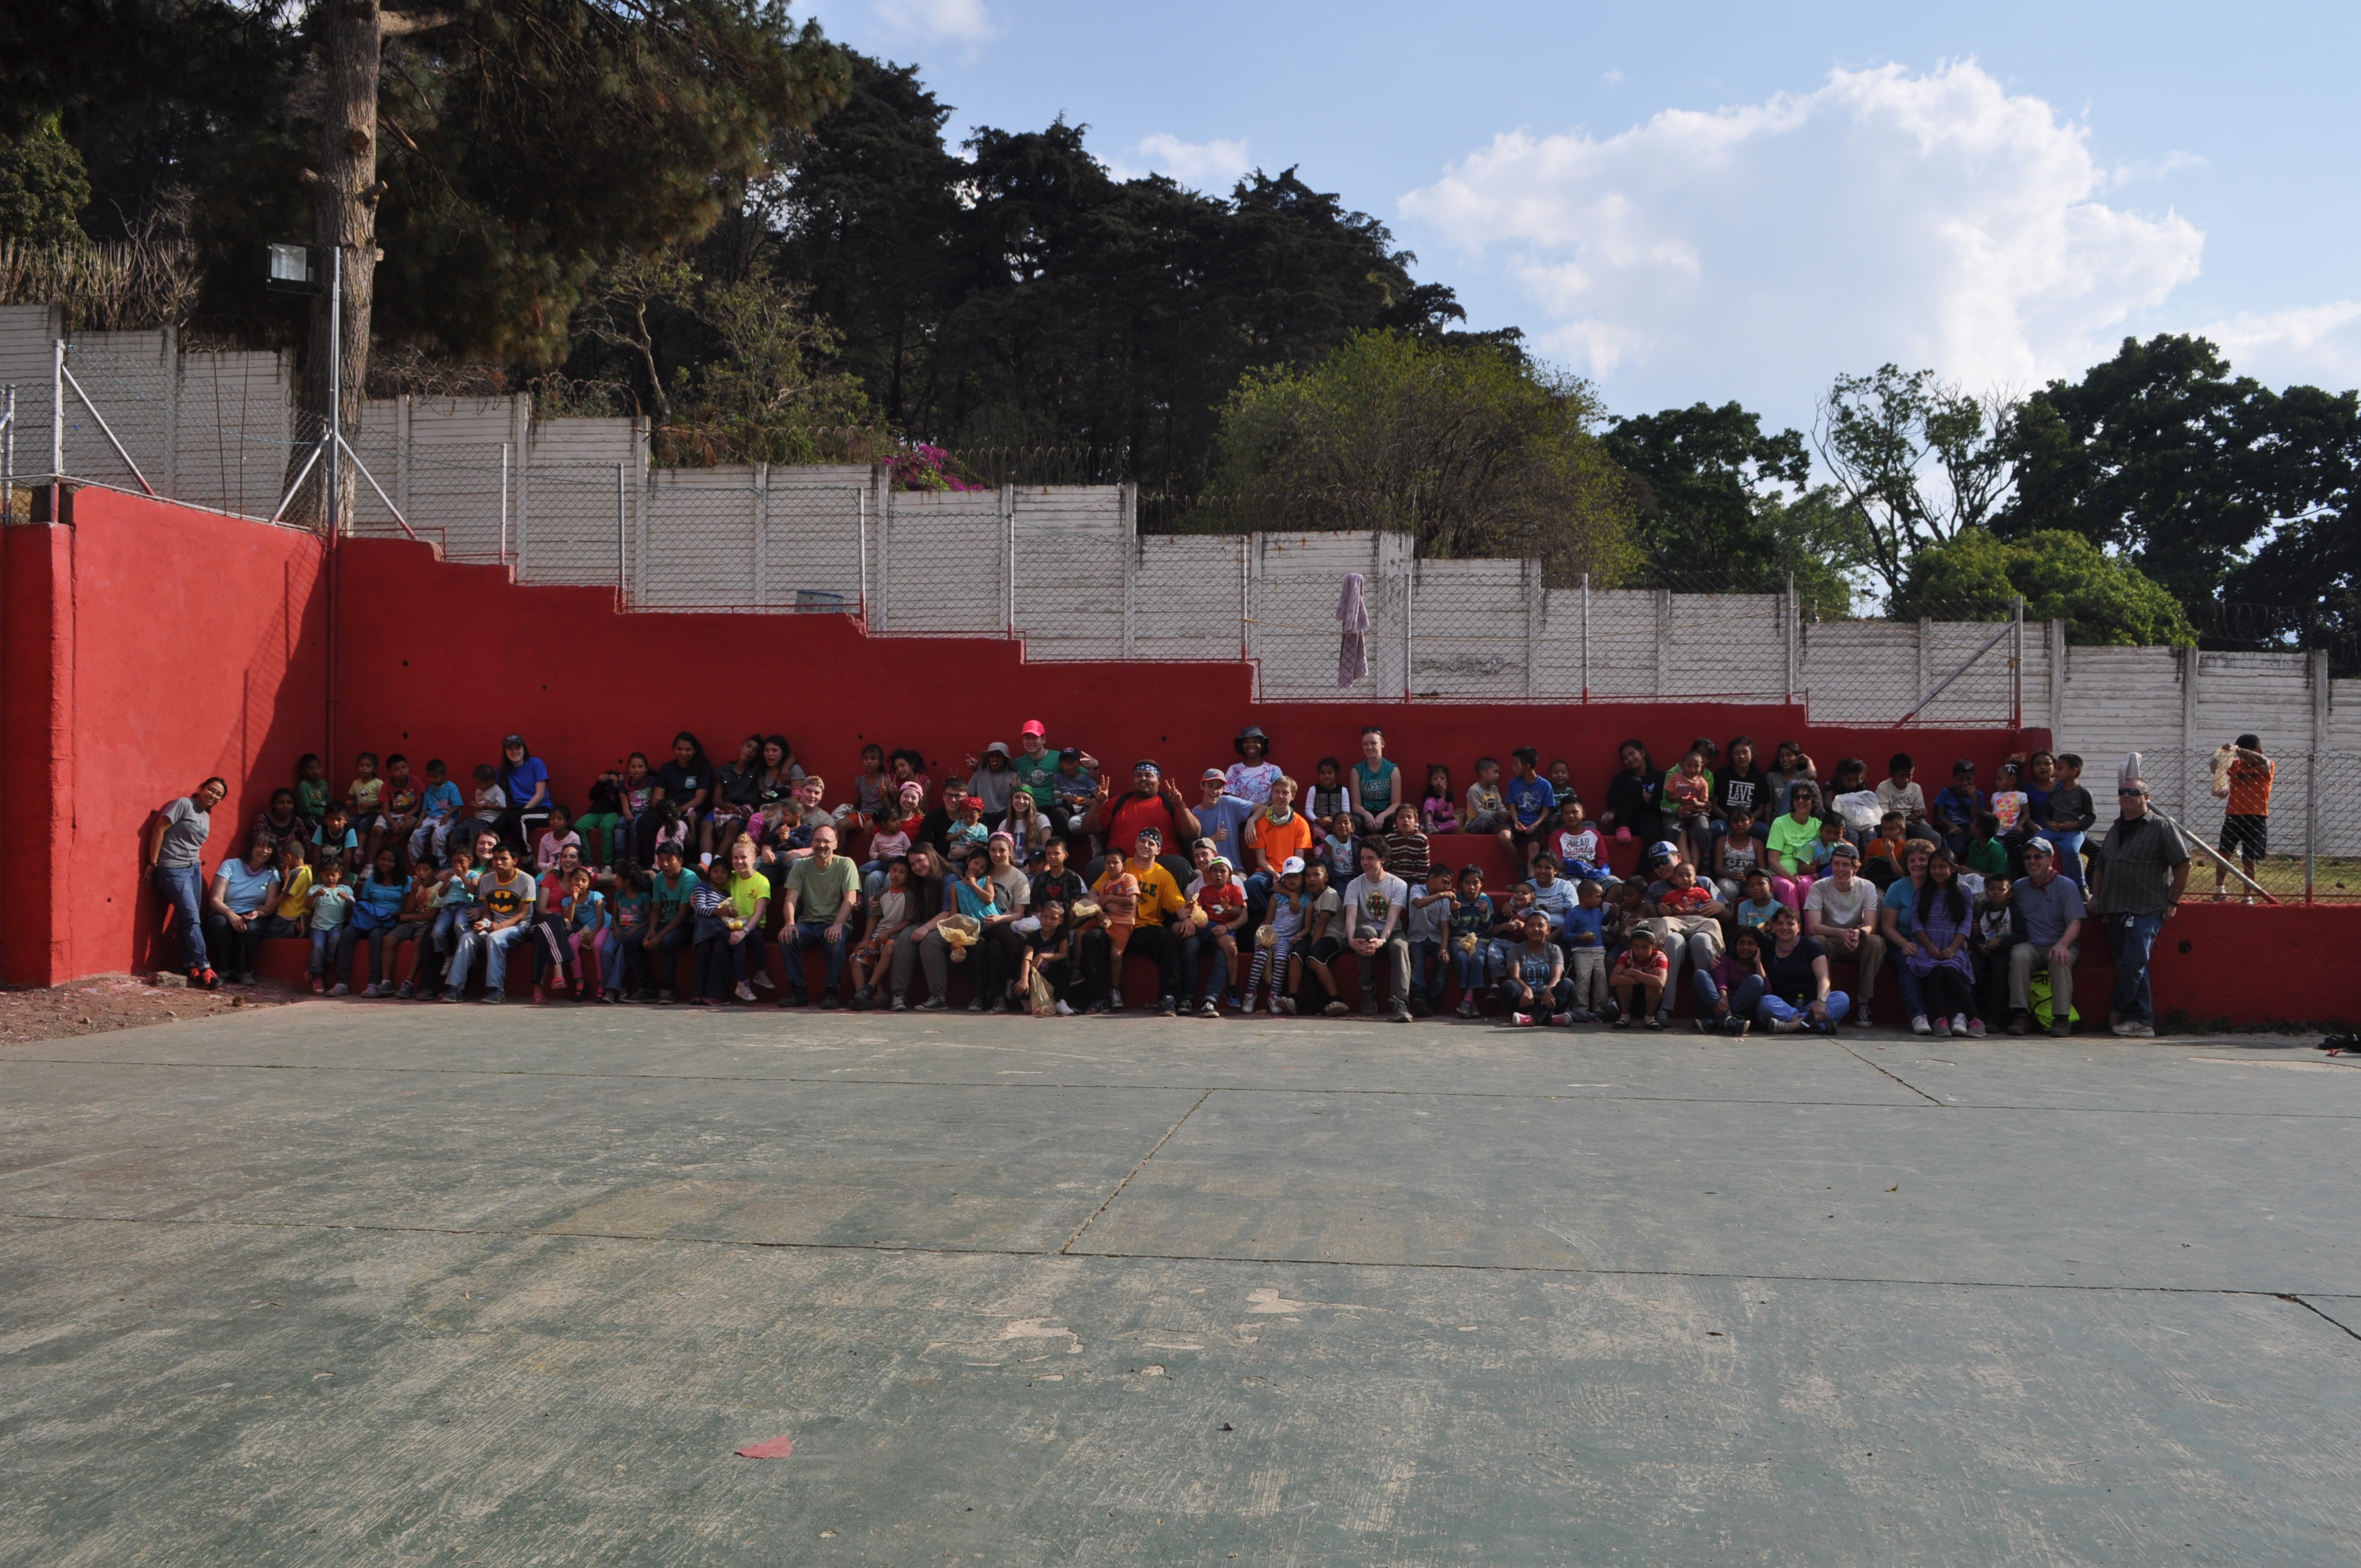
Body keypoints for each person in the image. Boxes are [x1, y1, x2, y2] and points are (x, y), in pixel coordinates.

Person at [2086, 776, 2189, 1038]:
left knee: (2134, 963)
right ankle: (2140, 1021)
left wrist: (2173, 902)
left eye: (2134, 792)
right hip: (2114, 909)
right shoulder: (2115, 828)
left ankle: (2125, 1011)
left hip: (2147, 909)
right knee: (2129, 967)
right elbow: (2101, 867)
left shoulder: (2161, 826)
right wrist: (2096, 898)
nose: (2126, 796)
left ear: (2147, 797)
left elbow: (2183, 864)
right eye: (2123, 791)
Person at [146, 777, 228, 987]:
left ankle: (190, 965)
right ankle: (205, 968)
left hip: (193, 869)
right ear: (201, 788)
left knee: (189, 918)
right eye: (211, 790)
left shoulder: (206, 817)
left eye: (219, 794)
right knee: (192, 918)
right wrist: (153, 863)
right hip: (172, 868)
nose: (214, 795)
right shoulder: (183, 804)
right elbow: (158, 830)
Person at [2004, 838, 2084, 1037]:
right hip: (2031, 944)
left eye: (2038, 856)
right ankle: (2021, 1015)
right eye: (2028, 857)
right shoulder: (2019, 887)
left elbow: (2075, 923)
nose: (2032, 861)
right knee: (2019, 955)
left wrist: (2062, 945)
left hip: (2060, 942)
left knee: (2059, 958)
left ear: (2050, 859)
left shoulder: (2067, 886)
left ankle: (2061, 1018)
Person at [1903, 849, 1984, 1037]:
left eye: (1942, 867)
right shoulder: (1922, 893)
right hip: (1927, 948)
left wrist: (1953, 948)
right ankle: (1940, 1020)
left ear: (1953, 868)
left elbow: (1965, 925)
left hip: (1953, 947)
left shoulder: (1964, 892)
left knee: (1950, 970)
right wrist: (1930, 948)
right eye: (1934, 867)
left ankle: (1975, 1019)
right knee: (1935, 970)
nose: (1937, 871)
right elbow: (1917, 924)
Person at [1802, 841, 1883, 1028]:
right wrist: (1841, 933)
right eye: (1836, 864)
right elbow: (1814, 927)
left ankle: (1863, 1002)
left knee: (1876, 942)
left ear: (1855, 867)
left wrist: (1859, 933)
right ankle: (1823, 998)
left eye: (1846, 865)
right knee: (1816, 942)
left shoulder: (1867, 887)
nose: (1840, 869)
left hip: (1855, 940)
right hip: (1831, 939)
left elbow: (1871, 925)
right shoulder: (1819, 887)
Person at [779, 823, 861, 1006]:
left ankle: (831, 992)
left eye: (826, 841)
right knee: (787, 937)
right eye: (817, 841)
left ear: (835, 844)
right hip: (808, 923)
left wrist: (838, 925)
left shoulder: (846, 864)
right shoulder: (801, 866)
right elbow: (790, 898)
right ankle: (798, 990)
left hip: (836, 922)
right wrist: (790, 923)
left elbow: (850, 898)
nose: (821, 845)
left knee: (836, 940)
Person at [1083, 759, 1200, 886]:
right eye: (1138, 775)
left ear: (1159, 781)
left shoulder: (1171, 803)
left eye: (1148, 775)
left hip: (1161, 863)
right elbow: (1089, 828)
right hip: (1122, 864)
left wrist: (1180, 804)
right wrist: (1099, 802)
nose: (1143, 778)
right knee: (1096, 866)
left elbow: (1194, 833)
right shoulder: (1117, 803)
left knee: (1179, 865)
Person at [444, 844, 535, 1004]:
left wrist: (499, 927)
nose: (498, 862)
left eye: (504, 859)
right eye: (496, 858)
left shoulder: (527, 880)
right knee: (467, 938)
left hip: (518, 927)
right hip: (494, 924)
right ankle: (456, 988)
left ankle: (496, 989)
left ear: (514, 861)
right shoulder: (486, 880)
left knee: (495, 938)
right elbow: (487, 913)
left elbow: (521, 915)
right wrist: (482, 923)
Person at [1342, 841, 1413, 1022]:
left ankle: (1400, 1003)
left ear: (1383, 860)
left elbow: (1392, 918)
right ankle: (1367, 991)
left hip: (1392, 932)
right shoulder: (1354, 885)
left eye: (1370, 859)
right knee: (1365, 933)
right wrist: (1350, 939)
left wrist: (1383, 940)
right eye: (1362, 858)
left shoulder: (1399, 885)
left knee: (1400, 947)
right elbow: (1351, 917)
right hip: (1366, 931)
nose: (1365, 863)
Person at [1758, 904, 1849, 1032]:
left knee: (1842, 998)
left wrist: (1821, 1002)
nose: (1785, 927)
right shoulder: (1768, 948)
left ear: (1799, 927)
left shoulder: (1811, 945)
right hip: (1783, 1006)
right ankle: (1816, 1024)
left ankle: (1791, 1027)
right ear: (1774, 926)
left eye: (1790, 924)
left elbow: (1823, 978)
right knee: (1765, 1002)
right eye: (1780, 923)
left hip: (1812, 1004)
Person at [204, 837, 281, 986]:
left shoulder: (272, 872)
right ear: (251, 847)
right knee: (218, 924)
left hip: (254, 914)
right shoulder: (230, 865)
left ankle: (243, 971)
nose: (264, 851)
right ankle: (224, 969)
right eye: (261, 846)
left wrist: (256, 914)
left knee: (250, 929)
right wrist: (231, 915)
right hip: (226, 911)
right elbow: (215, 899)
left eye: (269, 848)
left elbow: (270, 907)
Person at [1241, 858, 1308, 1015]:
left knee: (1281, 959)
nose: (1292, 880)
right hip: (1269, 933)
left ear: (1303, 878)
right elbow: (1267, 922)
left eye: (1296, 876)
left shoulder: (1307, 900)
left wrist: (1299, 936)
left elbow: (1307, 924)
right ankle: (1250, 994)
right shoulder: (1276, 898)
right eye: (1288, 876)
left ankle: (1274, 996)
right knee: (1261, 956)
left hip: (1286, 939)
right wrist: (1265, 940)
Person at [2214, 734, 2274, 901]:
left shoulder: (2266, 767)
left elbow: (2265, 763)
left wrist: (2240, 750)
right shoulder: (2236, 765)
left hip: (2256, 817)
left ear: (2258, 751)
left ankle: (2247, 896)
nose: (2243, 759)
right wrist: (2222, 754)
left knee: (2249, 859)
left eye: (2246, 755)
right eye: (2240, 756)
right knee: (2224, 854)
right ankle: (2219, 890)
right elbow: (2215, 768)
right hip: (2234, 816)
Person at [1691, 925, 1767, 1036]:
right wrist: (1724, 997)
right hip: (1717, 1005)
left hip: (1740, 1015)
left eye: (1750, 944)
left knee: (1757, 980)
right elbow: (1720, 980)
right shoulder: (1724, 960)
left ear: (1758, 947)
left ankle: (1718, 1021)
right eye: (1741, 943)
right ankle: (1727, 1019)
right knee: (1700, 975)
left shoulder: (1759, 967)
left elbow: (1767, 991)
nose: (1745, 947)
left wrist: (1758, 962)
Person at [1501, 909, 1570, 1025]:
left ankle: (1532, 1019)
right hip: (1526, 1000)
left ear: (1548, 930)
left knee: (1567, 984)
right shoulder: (1517, 950)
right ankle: (1549, 1019)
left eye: (1540, 926)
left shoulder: (1554, 950)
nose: (1536, 929)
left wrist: (1548, 990)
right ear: (1525, 930)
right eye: (1531, 925)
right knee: (1508, 986)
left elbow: (1557, 977)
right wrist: (1527, 989)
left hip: (1548, 999)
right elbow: (1514, 976)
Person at [1406, 863, 1456, 1017]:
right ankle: (1418, 999)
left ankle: (1433, 1002)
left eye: (1448, 883)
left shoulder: (1444, 899)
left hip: (1436, 938)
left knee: (1442, 964)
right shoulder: (1417, 889)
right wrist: (1441, 895)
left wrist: (1444, 948)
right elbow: (1418, 903)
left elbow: (1445, 926)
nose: (1446, 886)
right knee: (1417, 964)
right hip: (1417, 937)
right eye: (1444, 882)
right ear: (1432, 878)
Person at [1600, 739, 1664, 851]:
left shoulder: (1659, 776)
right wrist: (1637, 791)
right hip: (1628, 819)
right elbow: (1610, 802)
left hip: (1649, 819)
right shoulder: (1622, 778)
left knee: (1653, 837)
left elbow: (1656, 805)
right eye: (1625, 758)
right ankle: (1622, 827)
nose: (1630, 759)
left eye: (1632, 754)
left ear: (1642, 753)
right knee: (1634, 782)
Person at [1192, 769, 1257, 871]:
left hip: (1233, 869)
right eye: (1210, 786)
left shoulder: (1229, 803)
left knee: (1243, 880)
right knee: (1197, 875)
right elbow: (1193, 849)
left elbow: (1263, 808)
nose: (1214, 791)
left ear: (1223, 789)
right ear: (1202, 786)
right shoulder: (1194, 814)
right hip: (1207, 870)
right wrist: (1213, 839)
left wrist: (1251, 821)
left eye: (1218, 787)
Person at [496, 734, 553, 850]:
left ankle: (526, 856)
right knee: (495, 827)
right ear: (505, 752)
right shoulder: (504, 769)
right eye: (510, 749)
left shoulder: (536, 763)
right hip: (517, 810)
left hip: (541, 809)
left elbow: (540, 794)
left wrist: (523, 812)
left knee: (516, 818)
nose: (514, 752)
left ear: (524, 749)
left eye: (518, 748)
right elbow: (497, 790)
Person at [1608, 927, 1668, 1029]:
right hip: (1629, 1000)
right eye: (1636, 946)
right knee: (1623, 983)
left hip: (1648, 1001)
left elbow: (1660, 983)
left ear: (1654, 946)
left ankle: (1650, 1019)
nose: (1640, 952)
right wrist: (1646, 975)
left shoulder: (1660, 957)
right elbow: (1613, 980)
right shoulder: (1627, 955)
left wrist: (1634, 973)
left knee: (1654, 986)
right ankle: (1625, 1017)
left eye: (1645, 947)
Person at [1350, 727, 1403, 834]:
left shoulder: (1393, 770)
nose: (1369, 747)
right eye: (1365, 744)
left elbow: (1396, 803)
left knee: (1396, 820)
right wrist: (1366, 814)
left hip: (1386, 813)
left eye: (1373, 743)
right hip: (1366, 813)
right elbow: (1356, 805)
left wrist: (1382, 816)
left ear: (1382, 744)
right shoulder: (1356, 771)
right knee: (1353, 822)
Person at [1930, 760, 1982, 860]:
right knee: (1957, 844)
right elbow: (1939, 815)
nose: (1965, 783)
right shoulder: (1946, 792)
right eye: (1960, 780)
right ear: (1954, 779)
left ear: (1974, 776)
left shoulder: (1978, 795)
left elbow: (1975, 818)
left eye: (1969, 779)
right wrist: (1951, 825)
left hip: (1970, 827)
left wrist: (1974, 800)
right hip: (1953, 827)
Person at [1227, 726, 1282, 805]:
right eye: (1246, 742)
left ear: (1262, 745)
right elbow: (1230, 797)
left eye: (1256, 741)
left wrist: (1259, 811)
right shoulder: (1234, 770)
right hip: (1240, 812)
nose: (1251, 745)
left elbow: (1278, 795)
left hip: (1266, 812)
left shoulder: (1274, 770)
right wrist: (1248, 810)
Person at [1465, 756, 1509, 840]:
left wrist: (1505, 814)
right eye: (1495, 772)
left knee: (1511, 814)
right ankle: (1495, 829)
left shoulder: (1494, 789)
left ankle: (1497, 828)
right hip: (1476, 824)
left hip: (1493, 820)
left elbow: (1500, 806)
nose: (1498, 776)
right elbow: (1480, 812)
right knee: (1484, 818)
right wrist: (1497, 814)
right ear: (1484, 773)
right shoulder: (1474, 790)